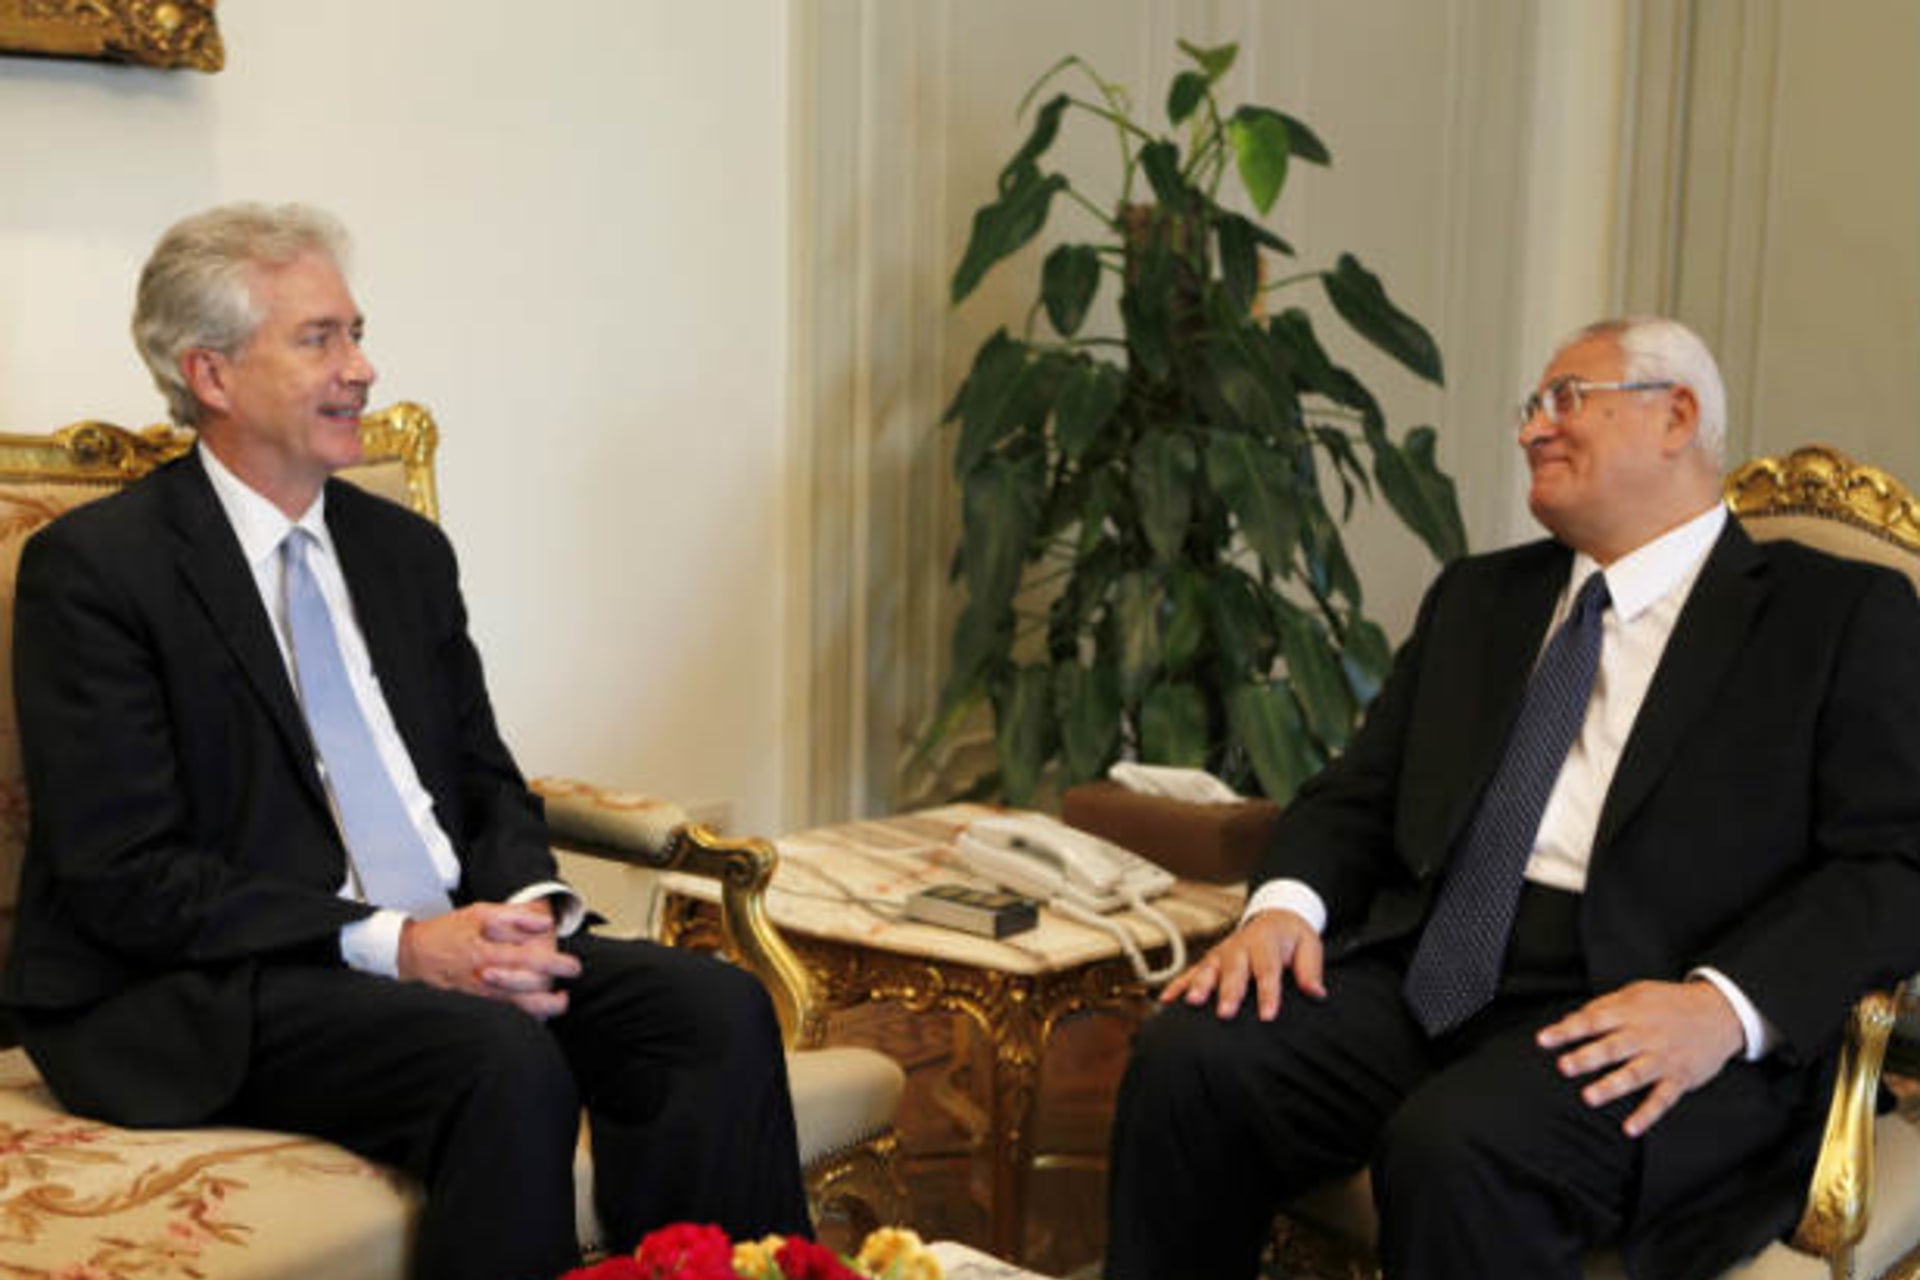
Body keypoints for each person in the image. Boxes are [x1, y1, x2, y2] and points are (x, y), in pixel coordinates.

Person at [3, 203, 810, 1280]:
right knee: (500, 1055)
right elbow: (126, 876)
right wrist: (399, 943)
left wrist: (524, 910)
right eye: (320, 338)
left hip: (440, 939)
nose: (364, 367)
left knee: (708, 1007)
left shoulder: (402, 553)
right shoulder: (98, 573)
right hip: (217, 981)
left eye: (357, 330)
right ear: (212, 374)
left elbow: (485, 779)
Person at [1104, 316, 1920, 1280]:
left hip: (1653, 1003)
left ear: (1677, 417)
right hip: (1438, 975)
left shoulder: (1833, 614)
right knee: (1191, 1061)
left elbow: (1895, 861)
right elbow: (1357, 794)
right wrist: (1282, 911)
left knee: (1457, 1148)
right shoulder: (1479, 599)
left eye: (1566, 400)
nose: (1533, 429)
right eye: (1530, 408)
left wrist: (1724, 1008)